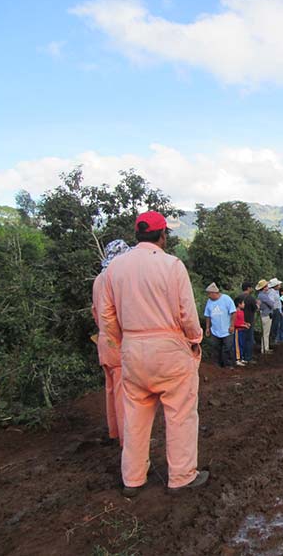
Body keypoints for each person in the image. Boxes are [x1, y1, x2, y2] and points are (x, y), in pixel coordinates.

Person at [100, 211, 208, 496]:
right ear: (163, 235)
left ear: (137, 234)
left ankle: (133, 478)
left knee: (134, 417)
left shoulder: (114, 269)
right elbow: (187, 312)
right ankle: (181, 476)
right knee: (180, 414)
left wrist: (120, 343)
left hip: (132, 349)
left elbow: (107, 317)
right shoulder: (172, 265)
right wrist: (195, 339)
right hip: (170, 348)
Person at [91, 239, 131, 447]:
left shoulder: (98, 279)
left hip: (104, 342)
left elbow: (96, 313)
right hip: (116, 342)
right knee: (123, 393)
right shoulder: (114, 279)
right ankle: (128, 441)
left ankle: (115, 431)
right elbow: (113, 314)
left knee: (111, 389)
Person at [204, 282, 236, 368]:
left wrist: (232, 325)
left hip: (227, 329)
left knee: (228, 348)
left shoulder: (226, 299)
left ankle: (228, 365)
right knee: (216, 348)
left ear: (214, 293)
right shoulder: (209, 302)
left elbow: (233, 313)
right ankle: (217, 365)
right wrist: (207, 328)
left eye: (209, 294)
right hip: (215, 330)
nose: (208, 296)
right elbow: (208, 315)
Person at [239, 282, 258, 363]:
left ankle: (240, 356)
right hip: (249, 321)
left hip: (239, 321)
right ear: (248, 288)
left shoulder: (238, 297)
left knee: (240, 339)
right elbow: (255, 308)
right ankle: (248, 357)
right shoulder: (251, 298)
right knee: (249, 339)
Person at [256, 279, 273, 354]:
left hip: (265, 315)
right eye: (266, 286)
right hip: (266, 315)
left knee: (266, 333)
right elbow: (271, 304)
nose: (268, 287)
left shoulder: (262, 295)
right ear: (264, 287)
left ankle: (265, 348)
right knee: (266, 333)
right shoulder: (263, 296)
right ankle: (265, 349)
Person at [266, 278, 283, 345]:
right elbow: (272, 302)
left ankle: (274, 340)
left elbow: (278, 302)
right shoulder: (272, 292)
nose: (280, 286)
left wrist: (280, 310)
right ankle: (272, 341)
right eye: (279, 285)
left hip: (277, 310)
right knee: (274, 326)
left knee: (276, 326)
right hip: (274, 310)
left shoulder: (276, 291)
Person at [233, 296, 248, 367]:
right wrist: (243, 325)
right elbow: (235, 323)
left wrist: (245, 323)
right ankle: (237, 359)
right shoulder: (235, 312)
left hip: (242, 330)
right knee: (237, 345)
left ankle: (241, 357)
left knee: (242, 344)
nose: (244, 304)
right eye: (243, 303)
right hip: (237, 331)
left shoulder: (241, 312)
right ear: (239, 304)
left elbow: (241, 321)